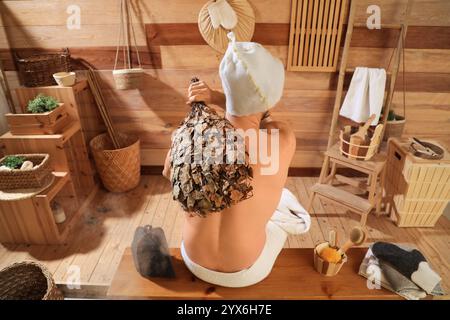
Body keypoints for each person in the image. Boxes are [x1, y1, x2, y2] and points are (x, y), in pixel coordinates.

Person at [162, 33, 310, 287]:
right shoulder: (283, 138)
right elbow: (264, 118)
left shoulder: (189, 135)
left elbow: (167, 172)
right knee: (285, 206)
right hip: (245, 272)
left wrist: (219, 98)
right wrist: (221, 97)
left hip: (193, 258)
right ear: (271, 95)